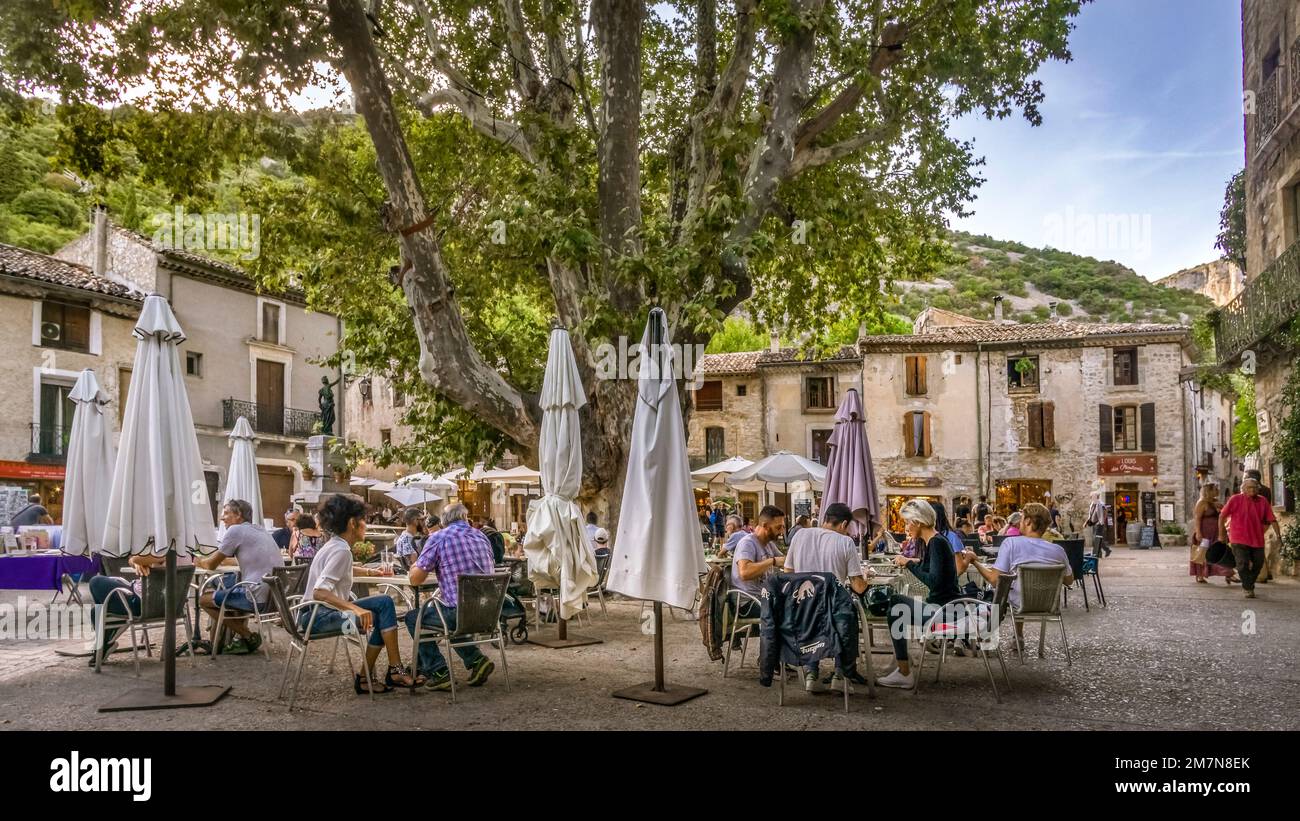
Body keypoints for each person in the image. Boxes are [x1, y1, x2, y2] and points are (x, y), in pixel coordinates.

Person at [300, 493, 420, 693]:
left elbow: (339, 570)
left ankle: (377, 675)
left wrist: (370, 571)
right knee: (381, 612)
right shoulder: (341, 551)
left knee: (384, 605)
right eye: (363, 519)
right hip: (317, 618)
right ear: (352, 523)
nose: (366, 523)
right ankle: (387, 672)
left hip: (313, 614)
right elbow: (319, 592)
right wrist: (354, 608)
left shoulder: (335, 545)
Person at [403, 503, 497, 690]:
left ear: (443, 522)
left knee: (415, 618)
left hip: (459, 613)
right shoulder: (481, 536)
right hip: (489, 612)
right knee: (448, 619)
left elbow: (415, 580)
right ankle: (477, 661)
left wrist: (415, 566)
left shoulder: (439, 537)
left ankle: (439, 672)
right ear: (464, 517)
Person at [783, 503, 871, 692]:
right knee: (846, 616)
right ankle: (840, 675)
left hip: (802, 608)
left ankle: (811, 674)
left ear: (826, 518)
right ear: (844, 524)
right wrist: (866, 578)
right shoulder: (845, 542)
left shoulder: (800, 535)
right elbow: (858, 586)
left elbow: (788, 572)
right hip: (833, 609)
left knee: (815, 619)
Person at [962, 503, 1073, 649]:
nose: (1019, 522)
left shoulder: (1011, 543)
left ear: (1028, 521)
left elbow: (994, 580)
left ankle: (1008, 636)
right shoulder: (1058, 550)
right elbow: (1069, 580)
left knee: (1007, 586)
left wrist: (975, 561)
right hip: (1048, 603)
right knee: (1016, 583)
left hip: (1019, 602)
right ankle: (1018, 636)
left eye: (1021, 519)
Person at [877, 500, 962, 689]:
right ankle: (902, 666)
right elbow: (931, 569)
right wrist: (910, 560)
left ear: (919, 521)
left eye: (908, 522)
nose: (906, 527)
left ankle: (904, 671)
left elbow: (933, 581)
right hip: (946, 607)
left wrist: (908, 563)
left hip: (946, 611)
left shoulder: (937, 544)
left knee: (896, 603)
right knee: (896, 607)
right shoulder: (934, 542)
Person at [195, 499, 285, 655]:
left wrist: (196, 560)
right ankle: (237, 640)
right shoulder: (260, 530)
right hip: (275, 598)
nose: (222, 518)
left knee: (204, 600)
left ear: (239, 515)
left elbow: (210, 565)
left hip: (255, 597)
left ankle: (248, 635)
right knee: (230, 589)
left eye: (226, 513)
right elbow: (237, 558)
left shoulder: (235, 530)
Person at [88, 552, 187, 665]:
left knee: (96, 582)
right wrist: (138, 564)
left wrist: (138, 561)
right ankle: (103, 644)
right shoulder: (185, 551)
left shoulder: (166, 551)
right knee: (96, 612)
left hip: (145, 604)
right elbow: (134, 560)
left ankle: (102, 645)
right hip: (169, 606)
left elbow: (134, 558)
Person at [1218, 477, 1281, 599]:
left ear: (1258, 489)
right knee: (1242, 564)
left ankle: (1248, 582)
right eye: (1249, 487)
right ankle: (1248, 588)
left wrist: (1278, 535)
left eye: (1255, 487)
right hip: (1238, 537)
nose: (1252, 489)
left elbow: (1272, 519)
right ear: (1243, 489)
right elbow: (1222, 516)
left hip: (1257, 539)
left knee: (1258, 563)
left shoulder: (1263, 501)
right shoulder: (1235, 499)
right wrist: (1222, 534)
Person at [730, 505, 787, 620]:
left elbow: (785, 561)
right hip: (747, 603)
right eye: (778, 527)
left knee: (799, 606)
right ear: (765, 526)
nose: (782, 531)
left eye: (783, 527)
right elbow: (744, 572)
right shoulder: (747, 543)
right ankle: (773, 638)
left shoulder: (769, 544)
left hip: (763, 598)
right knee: (787, 614)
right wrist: (772, 561)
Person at [1190, 483, 1233, 585]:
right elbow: (1197, 518)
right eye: (1215, 489)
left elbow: (1226, 515)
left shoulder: (1216, 502)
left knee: (1221, 552)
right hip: (1205, 532)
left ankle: (1228, 573)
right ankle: (1200, 575)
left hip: (1217, 532)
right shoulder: (1201, 503)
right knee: (1202, 553)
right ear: (1208, 491)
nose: (1217, 490)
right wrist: (1198, 533)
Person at [1245, 470, 1281, 584]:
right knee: (1259, 545)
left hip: (1258, 522)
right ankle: (1267, 572)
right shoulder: (1267, 489)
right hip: (1265, 521)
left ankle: (1262, 574)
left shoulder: (1256, 491)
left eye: (1247, 477)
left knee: (1256, 546)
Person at [1085, 492, 1112, 557]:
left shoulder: (1101, 504)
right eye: (1091, 497)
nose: (1091, 498)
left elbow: (1105, 512)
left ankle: (1103, 551)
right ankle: (1101, 552)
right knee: (1097, 538)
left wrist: (1102, 522)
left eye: (1092, 497)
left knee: (1097, 538)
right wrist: (1086, 522)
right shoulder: (1093, 504)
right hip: (1094, 524)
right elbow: (1091, 514)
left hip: (1099, 524)